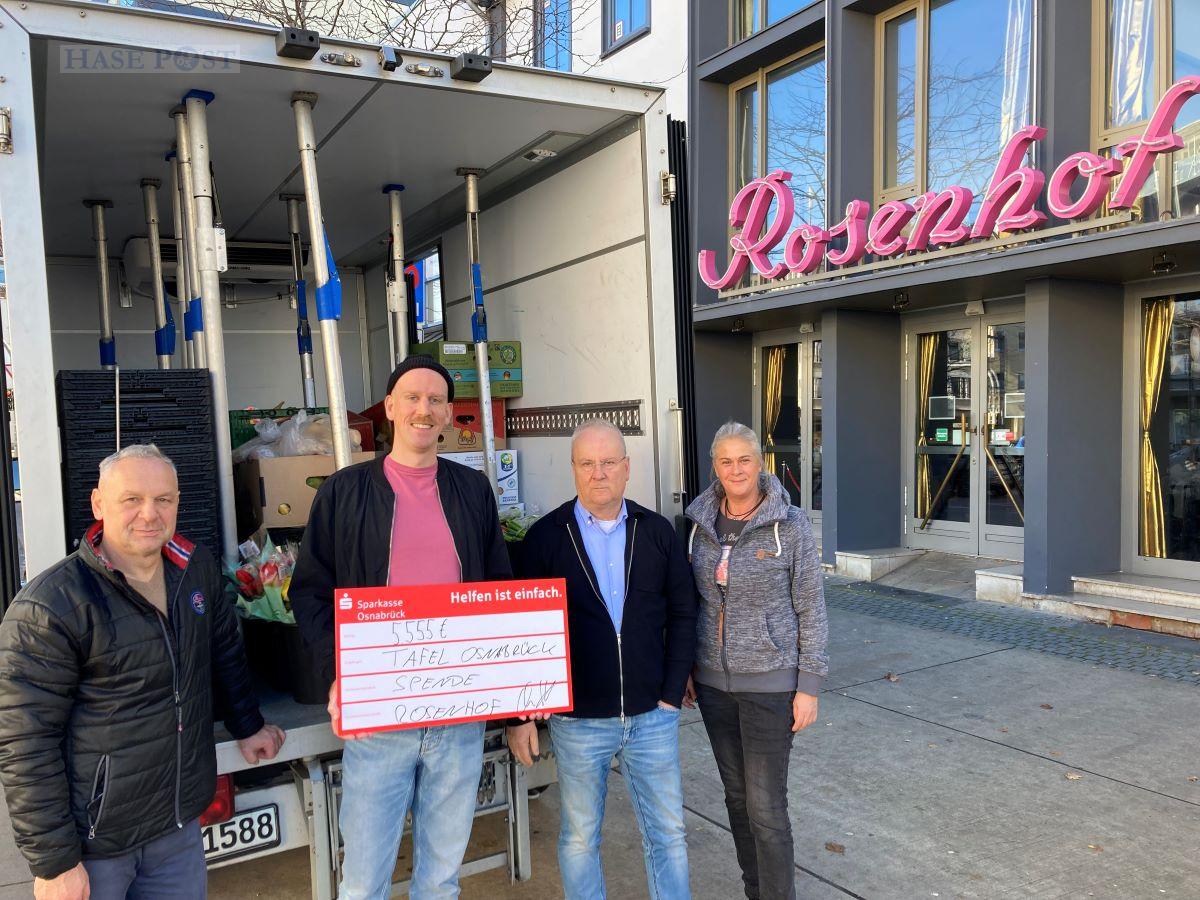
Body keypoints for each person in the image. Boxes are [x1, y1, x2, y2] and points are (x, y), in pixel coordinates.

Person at [0, 443, 285, 900]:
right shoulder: (50, 606)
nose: (149, 514)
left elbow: (224, 651)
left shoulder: (196, 569)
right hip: (99, 844)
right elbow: (24, 744)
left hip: (177, 828)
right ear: (98, 504)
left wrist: (247, 725)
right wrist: (55, 862)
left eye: (164, 499)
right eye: (131, 499)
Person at [290, 354, 512, 900]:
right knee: (364, 881)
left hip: (457, 712)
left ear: (447, 414)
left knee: (440, 879)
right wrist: (338, 675)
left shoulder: (472, 490)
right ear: (389, 408)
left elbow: (499, 592)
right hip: (380, 713)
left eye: (435, 400)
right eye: (412, 397)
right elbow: (310, 592)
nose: (424, 408)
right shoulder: (344, 492)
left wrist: (512, 699)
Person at [507, 419, 697, 900]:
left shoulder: (656, 532)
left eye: (609, 462)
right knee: (578, 838)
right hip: (578, 721)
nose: (599, 473)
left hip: (652, 716)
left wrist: (671, 693)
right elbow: (522, 631)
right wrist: (521, 714)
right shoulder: (545, 539)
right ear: (573, 469)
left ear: (627, 468)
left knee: (668, 835)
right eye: (587, 463)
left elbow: (683, 612)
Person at [682, 422, 828, 900]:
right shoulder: (699, 523)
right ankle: (755, 891)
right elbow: (694, 602)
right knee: (737, 799)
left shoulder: (792, 524)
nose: (736, 469)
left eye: (744, 459)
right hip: (713, 686)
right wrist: (687, 668)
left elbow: (810, 604)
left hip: (771, 685)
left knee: (765, 807)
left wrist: (808, 684)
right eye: (725, 461)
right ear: (714, 467)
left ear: (760, 462)